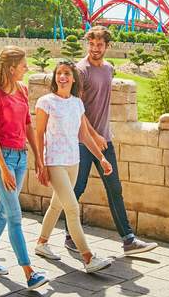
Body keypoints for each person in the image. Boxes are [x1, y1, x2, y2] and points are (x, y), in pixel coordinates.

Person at [62, 26, 158, 255]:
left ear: (107, 46)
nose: (95, 49)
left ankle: (128, 239)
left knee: (114, 188)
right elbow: (77, 109)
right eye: (92, 44)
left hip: (105, 139)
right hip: (83, 140)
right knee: (77, 188)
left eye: (100, 45)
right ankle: (70, 236)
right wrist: (93, 134)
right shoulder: (80, 71)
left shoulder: (108, 69)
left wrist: (101, 134)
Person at [32, 61, 116, 273]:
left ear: (73, 78)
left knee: (57, 205)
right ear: (54, 77)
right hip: (54, 161)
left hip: (73, 161)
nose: (62, 77)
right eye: (59, 73)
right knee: (72, 207)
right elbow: (39, 133)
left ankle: (41, 243)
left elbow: (84, 135)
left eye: (67, 73)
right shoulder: (46, 102)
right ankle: (88, 258)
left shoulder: (77, 103)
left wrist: (102, 158)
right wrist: (39, 162)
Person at [0, 47, 48, 289]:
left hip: (21, 159)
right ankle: (29, 272)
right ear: (10, 68)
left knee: (3, 211)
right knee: (15, 216)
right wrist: (3, 169)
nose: (26, 69)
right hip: (3, 160)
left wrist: (38, 157)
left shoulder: (22, 90)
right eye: (23, 65)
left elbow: (28, 125)